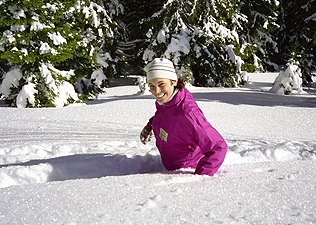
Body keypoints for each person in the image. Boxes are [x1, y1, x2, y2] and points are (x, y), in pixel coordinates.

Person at [140, 58, 227, 176]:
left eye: (161, 84)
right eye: (152, 85)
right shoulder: (167, 102)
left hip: (184, 172)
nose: (156, 91)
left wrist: (200, 178)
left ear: (174, 82)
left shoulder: (189, 113)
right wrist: (149, 126)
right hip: (170, 167)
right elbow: (163, 116)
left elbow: (218, 147)